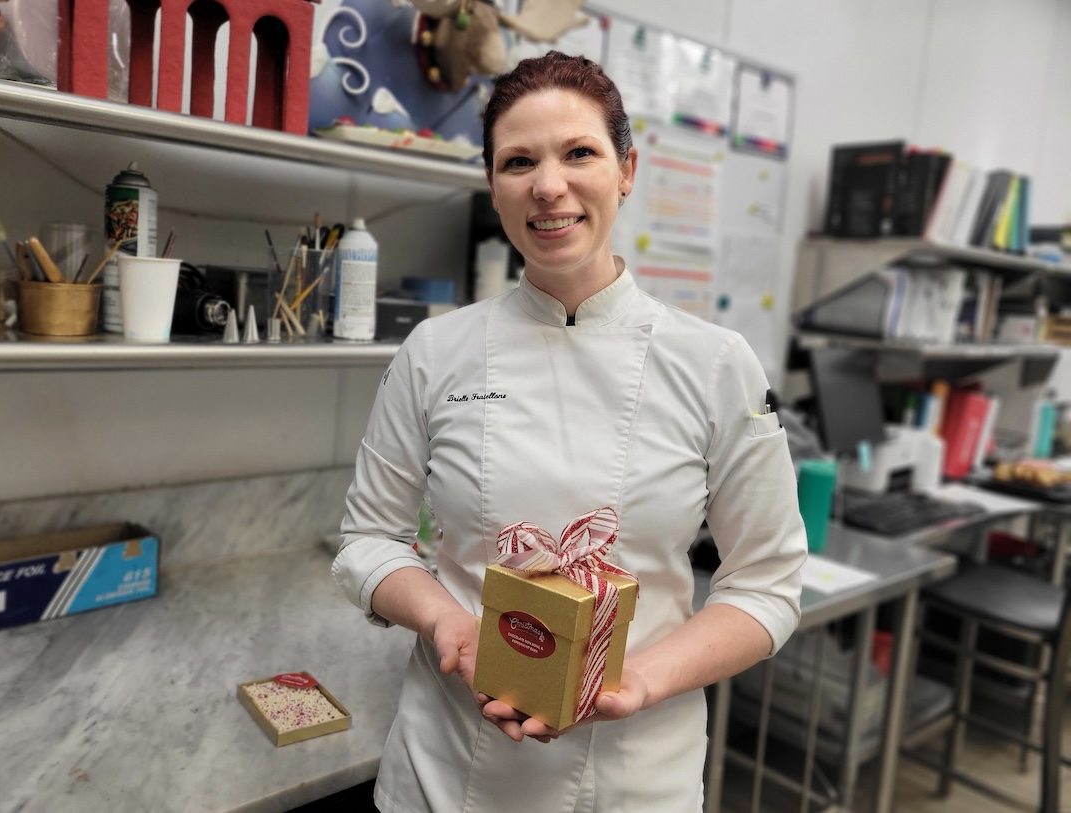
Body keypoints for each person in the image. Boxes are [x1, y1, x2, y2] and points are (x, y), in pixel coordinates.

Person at [333, 50, 807, 813]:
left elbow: (769, 584)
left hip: (633, 774)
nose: (548, 186)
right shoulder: (436, 352)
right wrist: (446, 621)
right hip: (449, 766)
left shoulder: (716, 364)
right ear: (493, 185)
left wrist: (641, 677)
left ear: (626, 168)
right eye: (518, 161)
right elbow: (367, 540)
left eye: (578, 152)